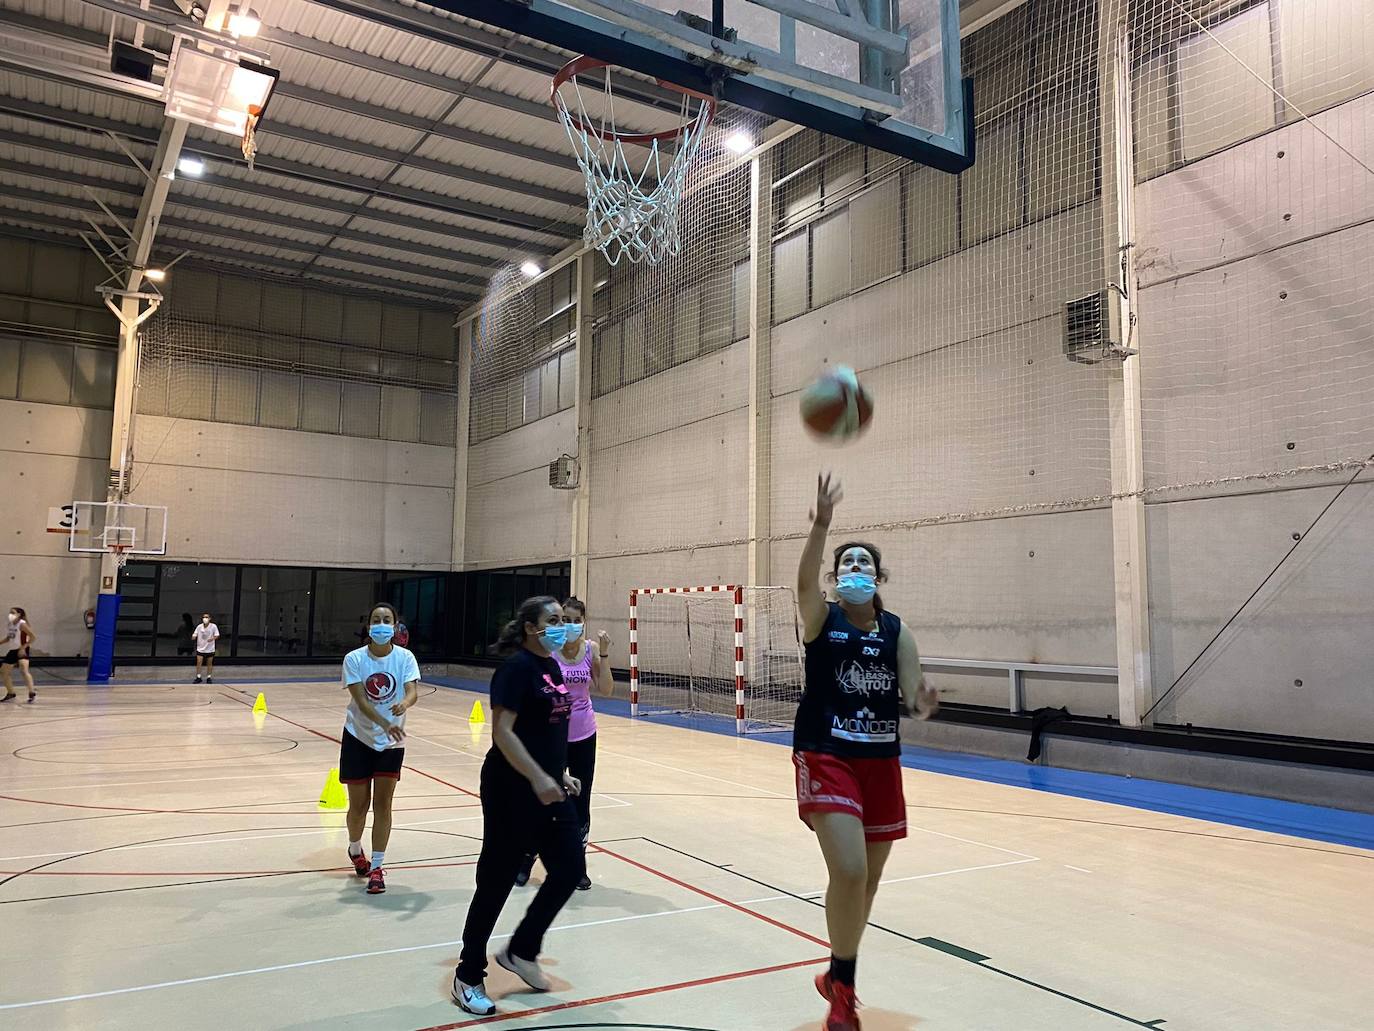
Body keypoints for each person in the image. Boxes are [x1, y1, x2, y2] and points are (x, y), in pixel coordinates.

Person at [795, 473, 938, 1031]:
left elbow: (913, 696)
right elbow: (803, 583)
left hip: (881, 757)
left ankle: (838, 976)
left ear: (879, 578)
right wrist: (821, 527)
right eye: (845, 564)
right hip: (826, 751)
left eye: (864, 565)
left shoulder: (897, 631)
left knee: (868, 883)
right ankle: (842, 996)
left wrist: (923, 702)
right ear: (835, 578)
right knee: (850, 870)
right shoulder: (820, 619)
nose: (854, 570)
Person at [452, 596, 585, 1017]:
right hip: (511, 787)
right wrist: (538, 777)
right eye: (553, 620)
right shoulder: (515, 669)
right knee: (496, 879)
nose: (561, 626)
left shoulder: (551, 666)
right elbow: (504, 734)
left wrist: (557, 773)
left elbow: (547, 728)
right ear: (531, 627)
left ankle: (522, 950)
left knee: (568, 870)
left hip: (548, 785)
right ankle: (468, 973)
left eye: (564, 620)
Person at [514, 597, 613, 892]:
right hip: (552, 735)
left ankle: (576, 865)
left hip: (584, 734)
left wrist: (605, 655)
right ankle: (527, 857)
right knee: (544, 797)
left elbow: (606, 689)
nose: (569, 626)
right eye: (563, 620)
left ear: (584, 622)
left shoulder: (590, 651)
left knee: (581, 801)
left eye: (574, 620)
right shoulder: (549, 653)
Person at [341, 602, 420, 896]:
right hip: (358, 737)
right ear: (368, 626)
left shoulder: (405, 658)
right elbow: (361, 701)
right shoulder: (354, 659)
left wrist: (406, 702)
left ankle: (377, 867)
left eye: (387, 619)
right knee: (359, 806)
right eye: (376, 619)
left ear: (395, 625)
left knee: (383, 805)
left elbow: (413, 690)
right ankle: (354, 848)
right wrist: (385, 723)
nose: (382, 624)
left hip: (392, 741)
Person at [2, 607, 38, 703]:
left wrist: (23, 648)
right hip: (13, 650)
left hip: (22, 649)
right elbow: (9, 638)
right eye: (10, 612)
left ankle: (32, 693)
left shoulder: (22, 624)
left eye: (13, 613)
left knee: (23, 669)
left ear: (19, 614)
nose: (10, 614)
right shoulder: (10, 625)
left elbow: (33, 637)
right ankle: (11, 693)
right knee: (3, 672)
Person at [192, 613, 220, 683]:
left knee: (209, 663)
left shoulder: (213, 626)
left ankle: (209, 677)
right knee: (199, 662)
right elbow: (195, 633)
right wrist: (194, 636)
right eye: (204, 617)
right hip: (200, 648)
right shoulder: (199, 627)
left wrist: (212, 638)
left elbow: (217, 635)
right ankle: (198, 677)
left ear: (210, 618)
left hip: (210, 649)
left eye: (206, 617)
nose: (205, 619)